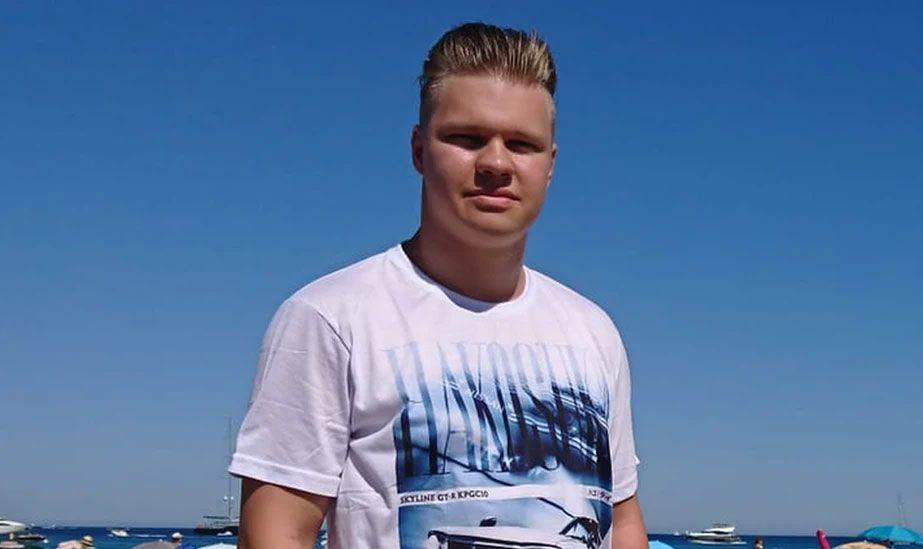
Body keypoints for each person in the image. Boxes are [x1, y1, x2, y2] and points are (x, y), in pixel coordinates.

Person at [229, 22, 646, 549]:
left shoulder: (594, 333)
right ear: (419, 150)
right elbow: (276, 533)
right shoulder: (330, 318)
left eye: (522, 144)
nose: (496, 163)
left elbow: (622, 521)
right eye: (467, 138)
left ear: (550, 166)